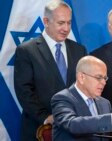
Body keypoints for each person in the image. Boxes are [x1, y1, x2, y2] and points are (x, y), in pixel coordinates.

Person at [14, 0, 87, 140]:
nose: (66, 28)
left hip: (74, 131)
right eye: (61, 23)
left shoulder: (79, 50)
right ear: (46, 21)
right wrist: (45, 117)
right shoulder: (27, 51)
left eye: (69, 22)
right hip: (39, 130)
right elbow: (24, 91)